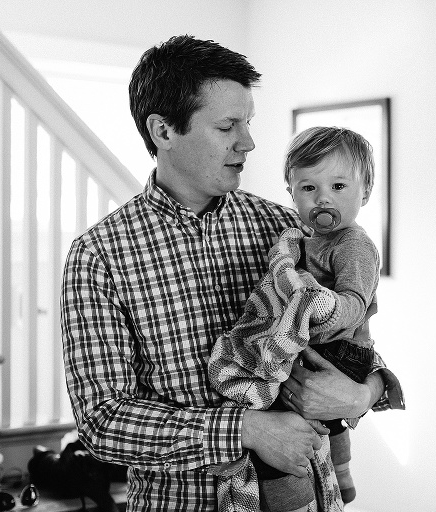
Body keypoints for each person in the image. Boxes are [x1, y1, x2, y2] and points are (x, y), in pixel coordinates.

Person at [60, 35, 404, 512]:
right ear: (163, 130)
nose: (248, 142)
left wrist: (363, 394)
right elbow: (102, 421)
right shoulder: (99, 257)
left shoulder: (286, 227)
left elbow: (349, 331)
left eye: (248, 123)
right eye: (228, 126)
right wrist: (244, 429)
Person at [208, 127, 382, 511]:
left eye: (338, 186)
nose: (322, 198)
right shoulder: (302, 235)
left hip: (337, 349)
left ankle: (296, 500)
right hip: (324, 348)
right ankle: (344, 471)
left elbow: (355, 304)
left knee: (288, 420)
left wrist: (363, 394)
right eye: (308, 188)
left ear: (365, 192)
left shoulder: (352, 243)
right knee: (303, 423)